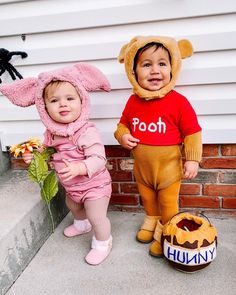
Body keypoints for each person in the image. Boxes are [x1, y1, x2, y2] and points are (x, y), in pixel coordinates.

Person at [0, 63, 112, 265]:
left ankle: (103, 242)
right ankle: (81, 224)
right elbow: (46, 152)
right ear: (43, 107)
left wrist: (80, 167)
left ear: (81, 101)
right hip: (73, 188)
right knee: (73, 206)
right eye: (54, 100)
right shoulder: (52, 133)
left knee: (97, 216)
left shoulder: (86, 132)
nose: (63, 104)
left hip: (96, 186)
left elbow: (99, 159)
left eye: (70, 98)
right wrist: (34, 157)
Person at [114, 36, 202, 257]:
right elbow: (122, 124)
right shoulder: (133, 101)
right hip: (143, 170)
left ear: (172, 68)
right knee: (148, 199)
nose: (155, 71)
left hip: (169, 171)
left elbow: (192, 132)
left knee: (168, 203)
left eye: (162, 64)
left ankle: (166, 233)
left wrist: (192, 159)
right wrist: (122, 136)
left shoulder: (178, 102)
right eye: (146, 64)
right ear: (133, 71)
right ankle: (151, 219)